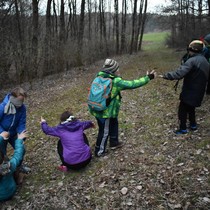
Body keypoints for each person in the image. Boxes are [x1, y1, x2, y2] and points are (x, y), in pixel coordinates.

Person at [88, 58, 156, 157]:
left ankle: (114, 142)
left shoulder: (99, 77)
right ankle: (99, 151)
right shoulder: (116, 81)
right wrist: (148, 77)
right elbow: (133, 84)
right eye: (117, 69)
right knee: (104, 131)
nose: (119, 70)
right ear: (113, 70)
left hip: (98, 108)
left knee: (114, 122)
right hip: (105, 113)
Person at [160, 40, 210, 134]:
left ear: (192, 49)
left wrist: (165, 75)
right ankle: (193, 125)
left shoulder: (192, 61)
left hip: (190, 90)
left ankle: (183, 129)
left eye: (189, 49)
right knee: (191, 108)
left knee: (182, 109)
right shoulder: (205, 61)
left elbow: (179, 74)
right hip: (199, 91)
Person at [0, 87, 30, 173]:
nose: (20, 103)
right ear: (13, 98)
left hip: (13, 134)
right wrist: (2, 132)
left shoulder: (22, 108)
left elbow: (21, 123)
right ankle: (5, 170)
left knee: (22, 148)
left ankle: (18, 166)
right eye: (19, 100)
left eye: (22, 101)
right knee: (2, 154)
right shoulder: (3, 107)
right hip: (2, 134)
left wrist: (22, 136)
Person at [0, 131, 27, 202]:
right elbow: (18, 155)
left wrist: (1, 137)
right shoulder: (8, 166)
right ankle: (18, 178)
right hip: (10, 191)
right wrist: (19, 140)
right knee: (14, 167)